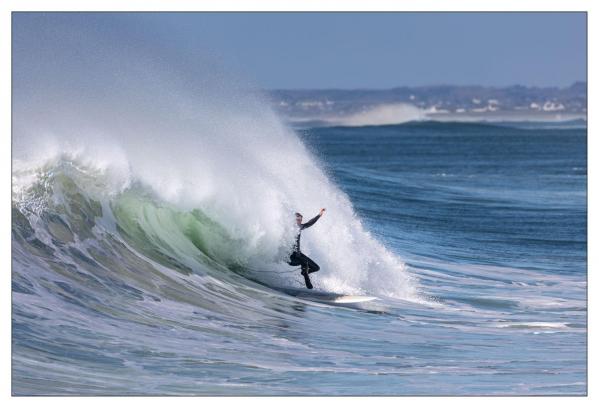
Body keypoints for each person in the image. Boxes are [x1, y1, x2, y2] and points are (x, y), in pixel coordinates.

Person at [288, 208, 326, 289]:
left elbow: (309, 223)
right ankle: (306, 276)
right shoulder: (288, 229)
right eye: (298, 220)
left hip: (298, 256)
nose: (299, 221)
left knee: (316, 268)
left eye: (300, 220)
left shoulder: (300, 227)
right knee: (304, 263)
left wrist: (319, 215)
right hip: (291, 258)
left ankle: (304, 272)